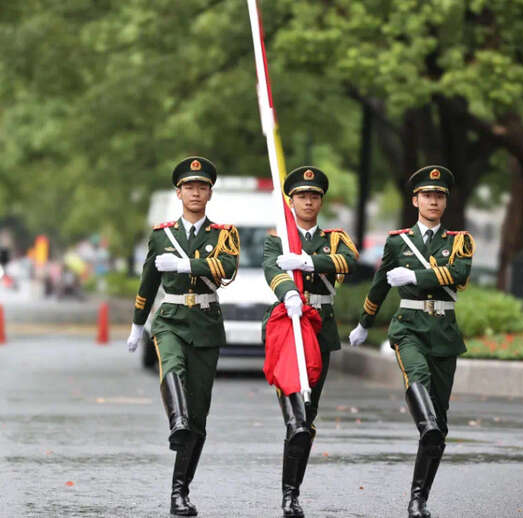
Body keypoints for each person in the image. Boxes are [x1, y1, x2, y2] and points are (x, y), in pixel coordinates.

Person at [348, 166, 474, 518]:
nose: (434, 201)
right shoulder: (397, 242)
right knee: (415, 376)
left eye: (440, 196)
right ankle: (426, 425)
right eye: (427, 195)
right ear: (415, 200)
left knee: (441, 424)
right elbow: (379, 285)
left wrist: (416, 274)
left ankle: (419, 497)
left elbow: (460, 273)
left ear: (445, 202)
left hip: (444, 331)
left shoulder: (458, 242)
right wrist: (364, 323)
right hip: (409, 327)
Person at [126, 156, 240, 517]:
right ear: (179, 192)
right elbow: (148, 280)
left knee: (200, 417)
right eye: (189, 186)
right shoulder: (162, 235)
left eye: (201, 187)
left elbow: (228, 268)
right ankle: (177, 421)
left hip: (205, 322)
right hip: (171, 318)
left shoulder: (223, 234)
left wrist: (188, 265)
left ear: (209, 193)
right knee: (171, 367)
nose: (195, 192)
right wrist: (136, 322)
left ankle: (180, 491)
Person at [262, 166, 358, 518]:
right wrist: (289, 292)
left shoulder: (334, 238)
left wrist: (307, 261)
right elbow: (272, 269)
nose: (308, 200)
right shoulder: (279, 237)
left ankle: (291, 493)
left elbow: (347, 261)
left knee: (309, 415)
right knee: (296, 419)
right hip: (289, 325)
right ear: (291, 200)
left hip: (319, 329)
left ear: (321, 201)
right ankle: (289, 495)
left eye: (314, 195)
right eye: (302, 195)